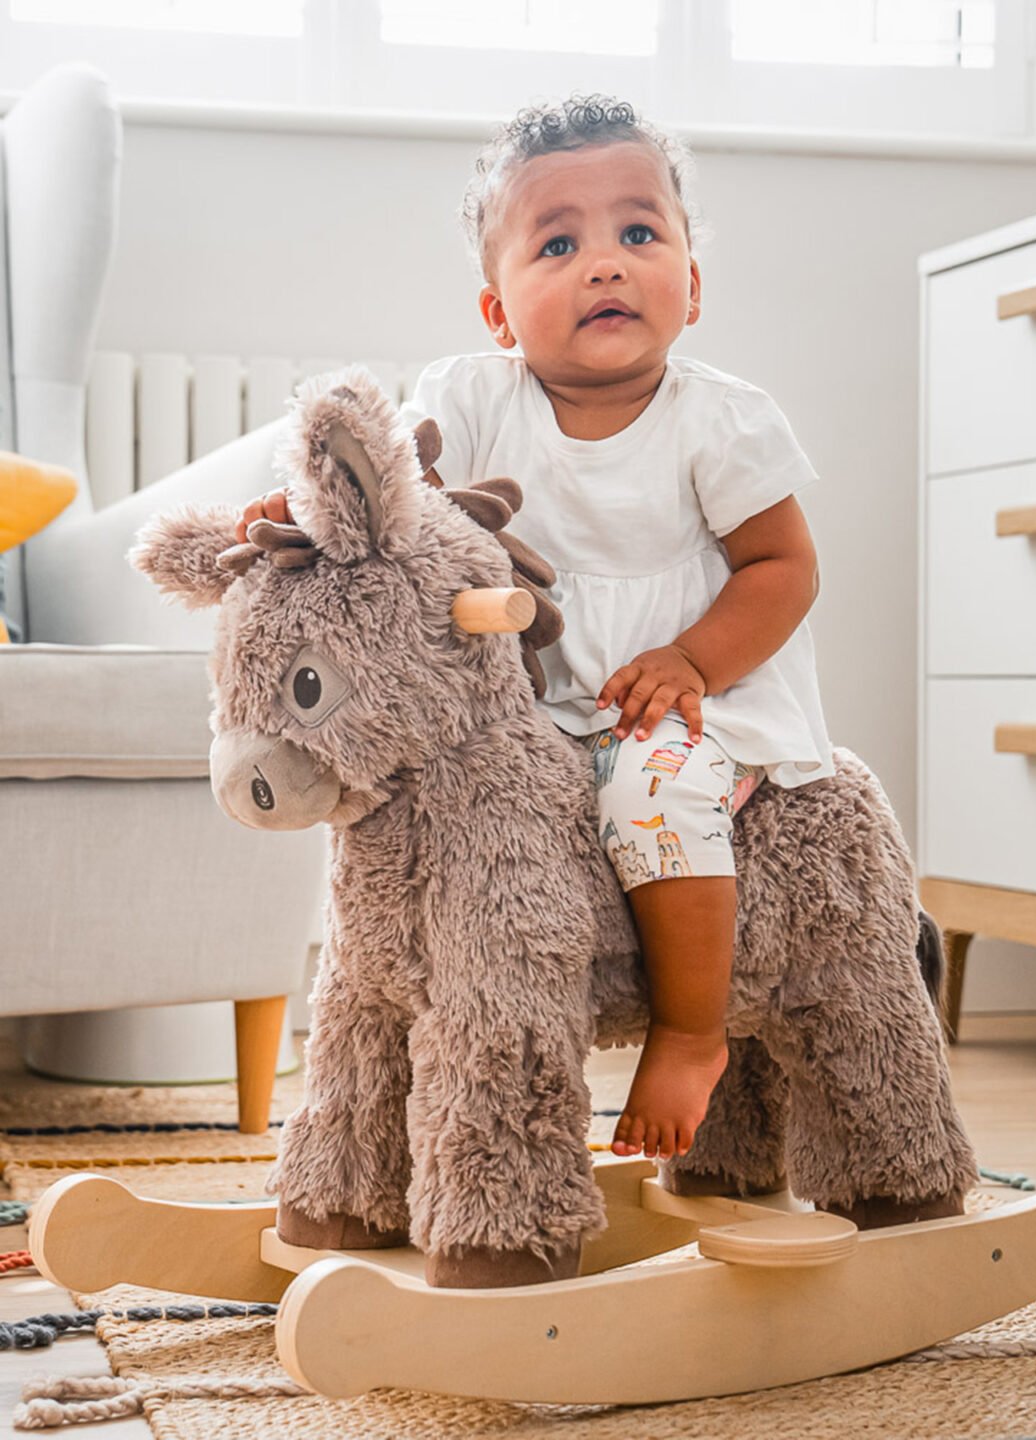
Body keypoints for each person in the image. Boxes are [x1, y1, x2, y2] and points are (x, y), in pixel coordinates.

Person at [238, 94, 833, 1165]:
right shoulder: (473, 398)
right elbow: (399, 519)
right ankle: (426, 1105)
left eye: (638, 233)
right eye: (558, 243)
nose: (604, 264)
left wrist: (696, 660)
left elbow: (782, 568)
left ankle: (693, 1032)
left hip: (684, 703)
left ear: (690, 287)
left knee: (654, 789)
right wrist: (315, 521)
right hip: (526, 713)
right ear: (499, 312)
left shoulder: (720, 419)